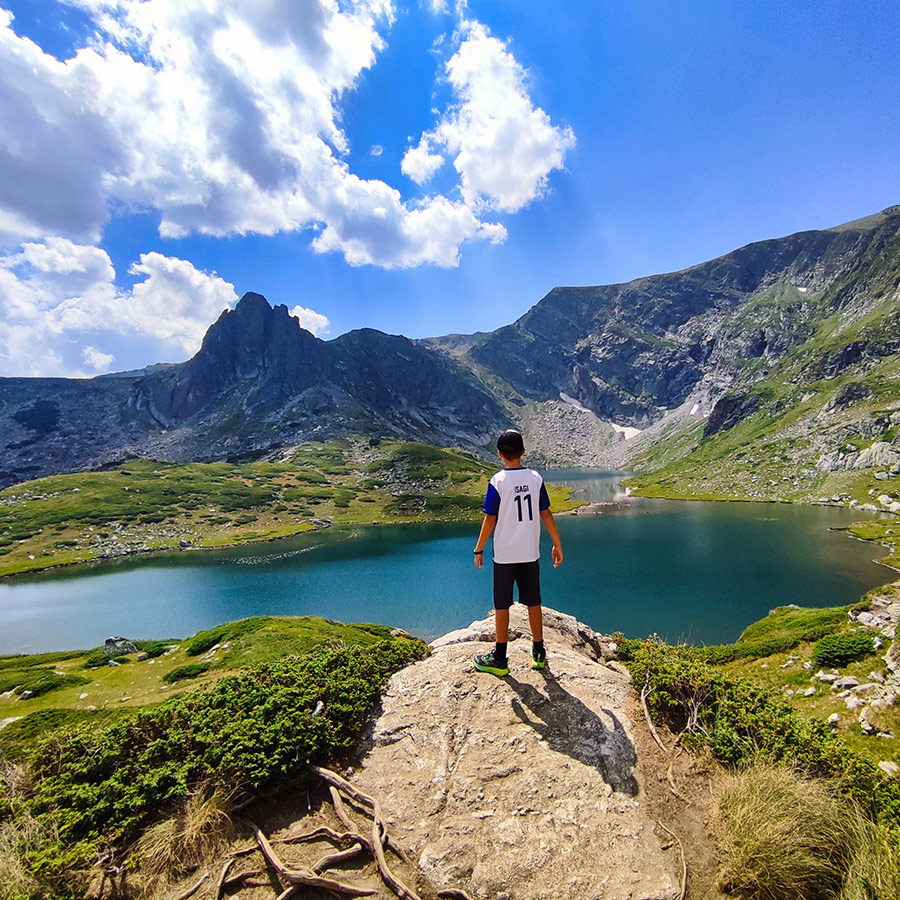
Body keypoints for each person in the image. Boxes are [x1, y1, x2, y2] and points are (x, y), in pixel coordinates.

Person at [472, 429, 563, 676]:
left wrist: (478, 548)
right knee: (533, 601)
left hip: (504, 556)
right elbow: (545, 512)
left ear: (500, 454)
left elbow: (490, 519)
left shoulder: (498, 481)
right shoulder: (535, 478)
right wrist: (557, 543)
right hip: (529, 553)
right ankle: (538, 652)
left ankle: (500, 658)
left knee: (502, 604)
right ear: (523, 452)